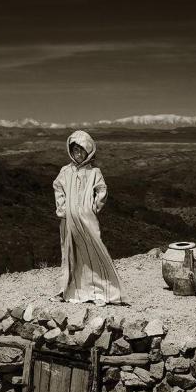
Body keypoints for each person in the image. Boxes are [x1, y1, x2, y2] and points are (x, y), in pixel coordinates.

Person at [52, 130, 126, 305]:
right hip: (68, 221)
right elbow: (58, 188)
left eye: (81, 150)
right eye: (75, 150)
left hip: (87, 220)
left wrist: (92, 208)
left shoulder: (94, 172)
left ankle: (104, 289)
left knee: (94, 251)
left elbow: (102, 191)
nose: (78, 154)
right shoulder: (65, 171)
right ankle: (72, 288)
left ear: (88, 151)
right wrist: (62, 209)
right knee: (71, 254)